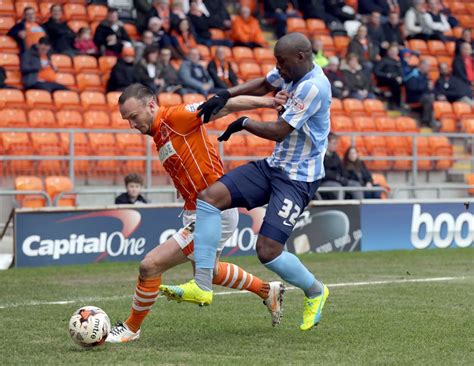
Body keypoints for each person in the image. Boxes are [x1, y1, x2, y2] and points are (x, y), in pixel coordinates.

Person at [160, 33, 330, 332]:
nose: (278, 68)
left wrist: (244, 122)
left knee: (267, 251)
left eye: (282, 62)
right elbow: (265, 84)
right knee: (210, 197)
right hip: (274, 166)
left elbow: (279, 130)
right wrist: (225, 94)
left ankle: (316, 291)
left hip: (298, 178)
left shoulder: (313, 87)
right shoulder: (291, 71)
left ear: (302, 57)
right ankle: (202, 285)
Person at [106, 83, 286, 342]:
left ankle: (132, 328)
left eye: (134, 117)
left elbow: (222, 106)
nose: (132, 124)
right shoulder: (159, 133)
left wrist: (270, 103)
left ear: (151, 105)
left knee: (150, 265)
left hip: (214, 211)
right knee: (210, 272)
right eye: (127, 120)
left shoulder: (175, 117)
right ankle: (267, 290)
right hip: (199, 211)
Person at [320, 133, 363, 200]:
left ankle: (360, 208)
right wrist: (337, 178)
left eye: (336, 143)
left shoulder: (336, 156)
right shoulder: (321, 156)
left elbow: (342, 169)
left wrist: (343, 178)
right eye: (334, 143)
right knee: (338, 188)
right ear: (327, 143)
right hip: (325, 181)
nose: (336, 145)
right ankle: (341, 208)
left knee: (356, 185)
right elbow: (324, 172)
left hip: (338, 180)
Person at [404, 59, 437, 128]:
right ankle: (426, 122)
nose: (429, 68)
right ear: (422, 65)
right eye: (427, 66)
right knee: (428, 98)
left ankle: (434, 120)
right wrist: (426, 86)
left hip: (422, 96)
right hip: (413, 96)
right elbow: (413, 88)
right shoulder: (413, 74)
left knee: (433, 97)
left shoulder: (425, 75)